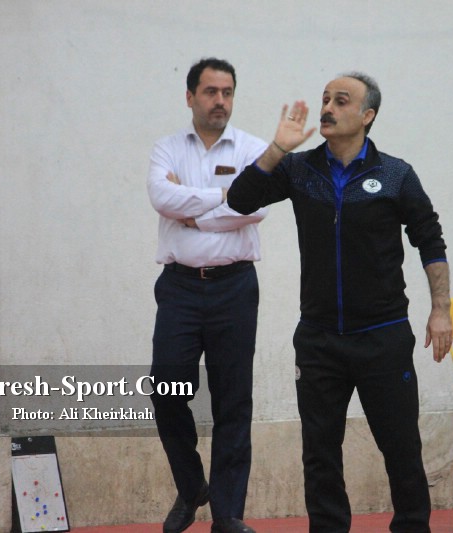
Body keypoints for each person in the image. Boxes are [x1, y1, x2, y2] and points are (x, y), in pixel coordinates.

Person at [227, 72, 452, 533]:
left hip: (383, 337)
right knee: (320, 453)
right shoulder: (299, 169)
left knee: (401, 448)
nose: (327, 108)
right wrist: (277, 149)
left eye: (341, 101)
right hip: (319, 339)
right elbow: (240, 200)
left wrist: (441, 309)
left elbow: (430, 240)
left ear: (367, 115)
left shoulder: (395, 175)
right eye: (325, 99)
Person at [146, 57, 267, 533]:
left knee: (233, 401)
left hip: (234, 287)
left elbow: (256, 206)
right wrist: (224, 196)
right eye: (211, 91)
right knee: (166, 388)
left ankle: (228, 515)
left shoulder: (253, 148)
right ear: (190, 96)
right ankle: (192, 484)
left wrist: (191, 208)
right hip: (179, 288)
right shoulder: (167, 148)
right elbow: (161, 197)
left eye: (228, 92)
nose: (220, 101)